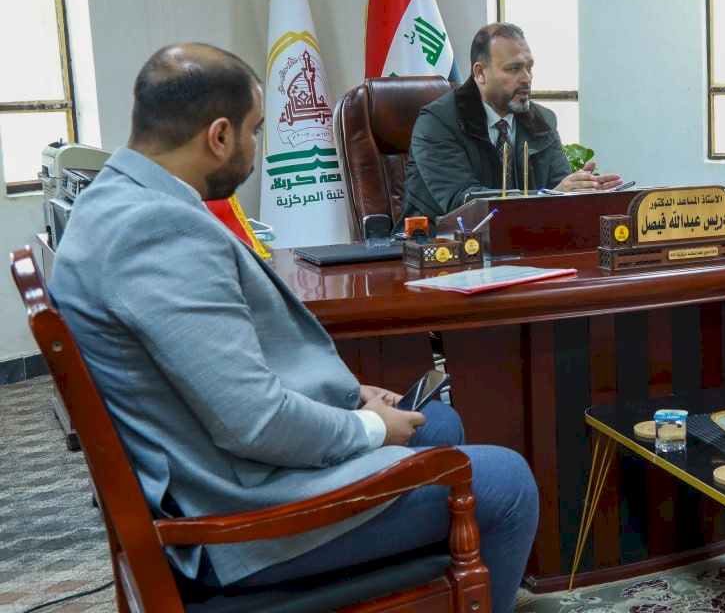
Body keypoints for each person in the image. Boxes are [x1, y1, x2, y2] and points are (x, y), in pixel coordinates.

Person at [50, 43, 537, 612]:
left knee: (439, 422)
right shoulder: (155, 230)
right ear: (220, 136)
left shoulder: (114, 200)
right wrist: (367, 428)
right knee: (507, 483)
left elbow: (206, 371)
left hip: (212, 464)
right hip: (236, 516)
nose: (258, 148)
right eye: (256, 131)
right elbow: (254, 422)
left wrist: (347, 396)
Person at [401, 22, 624, 221]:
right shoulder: (438, 122)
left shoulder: (542, 121)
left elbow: (560, 187)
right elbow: (463, 202)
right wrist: (550, 197)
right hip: (438, 243)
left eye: (529, 67)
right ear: (480, 73)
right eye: (514, 69)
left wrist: (583, 191)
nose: (527, 77)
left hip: (517, 240)